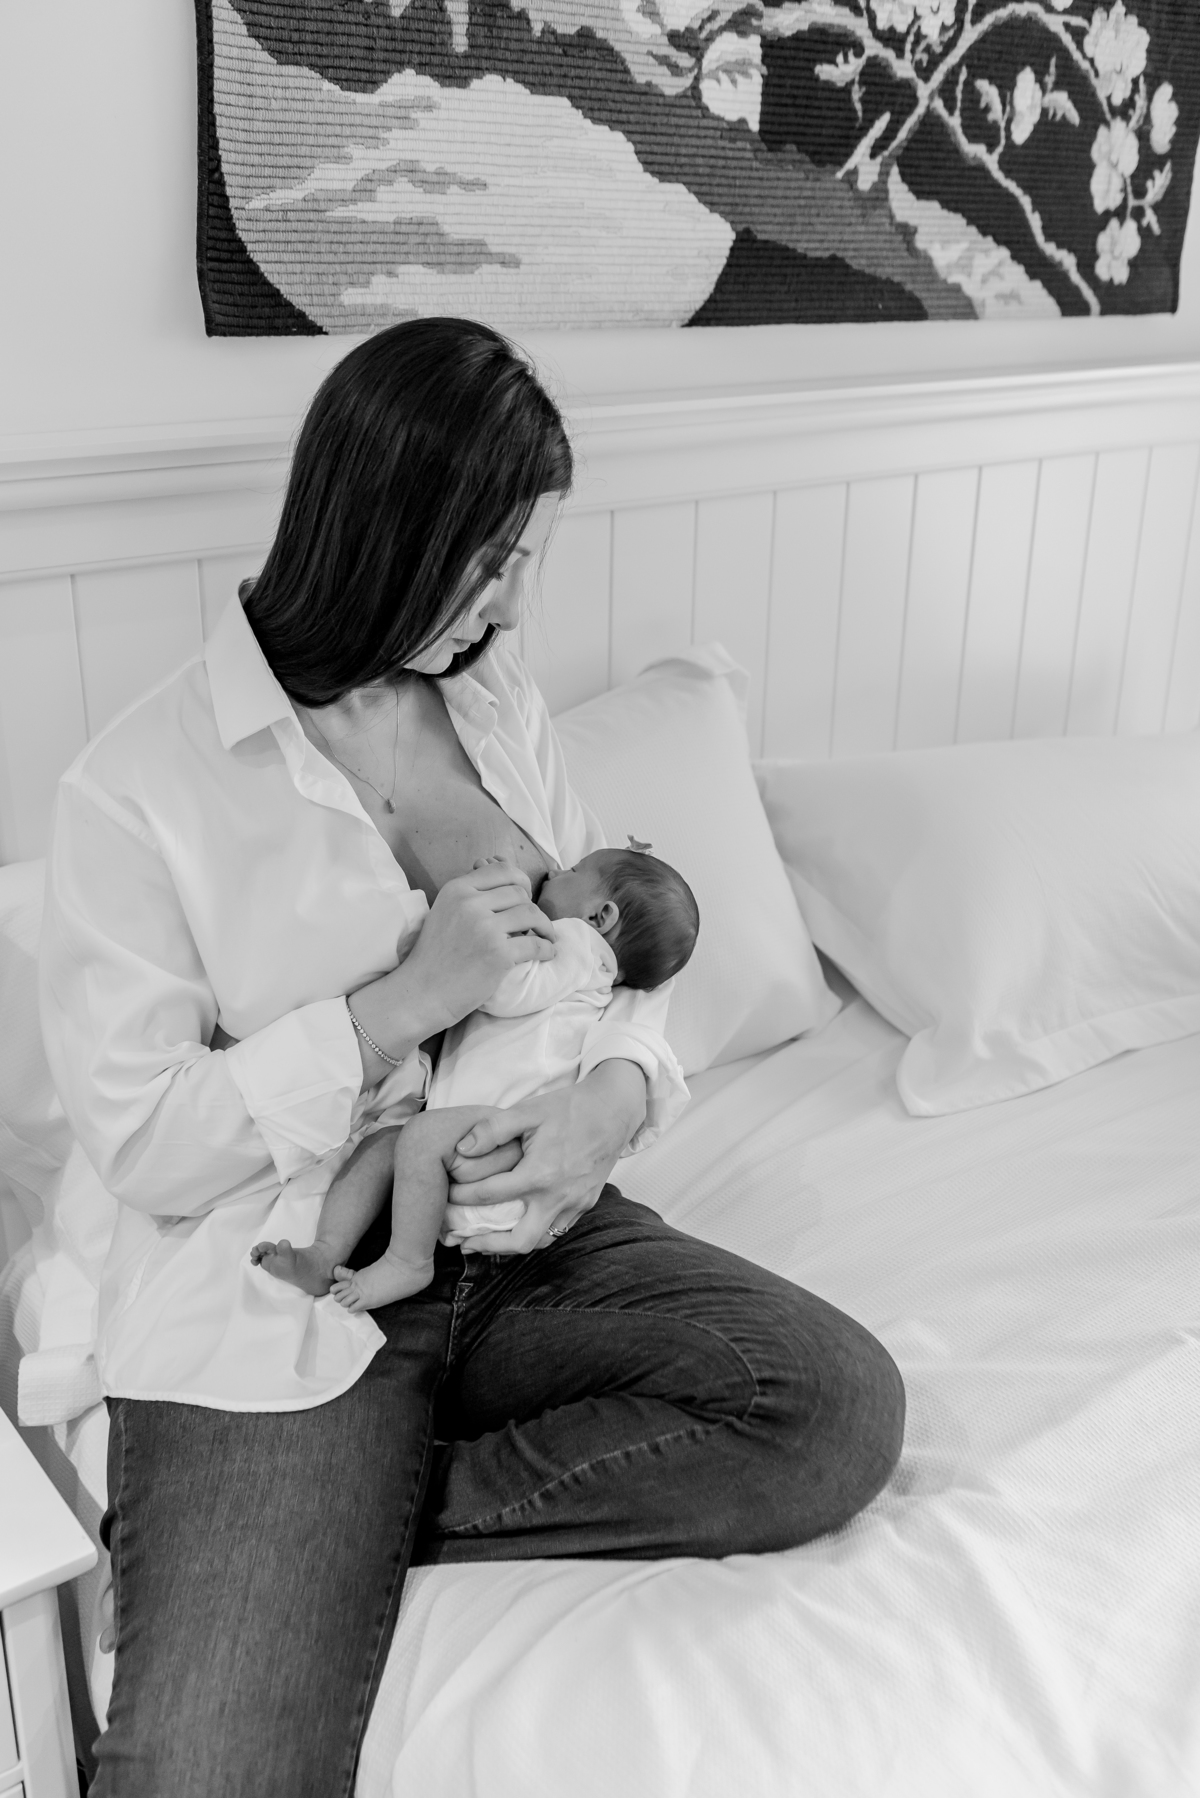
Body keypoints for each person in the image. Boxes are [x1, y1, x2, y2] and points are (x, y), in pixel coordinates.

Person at [39, 317, 905, 1798]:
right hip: (279, 1273)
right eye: (491, 559)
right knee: (205, 1770)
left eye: (526, 559)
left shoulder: (497, 707)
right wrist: (395, 1005)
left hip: (513, 1234)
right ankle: (275, 1530)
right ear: (381, 529)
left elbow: (608, 965)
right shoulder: (135, 789)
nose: (516, 600)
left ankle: (355, 1526)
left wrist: (612, 1102)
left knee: (826, 1408)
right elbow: (148, 1144)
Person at [250, 843, 701, 1310]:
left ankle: (407, 1262)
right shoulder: (590, 968)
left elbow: (505, 990)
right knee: (385, 1145)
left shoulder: (580, 946)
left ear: (601, 917)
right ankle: (325, 1254)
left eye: (573, 870)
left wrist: (505, 904)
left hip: (504, 1135)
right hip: (490, 1136)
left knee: (416, 1140)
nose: (555, 871)